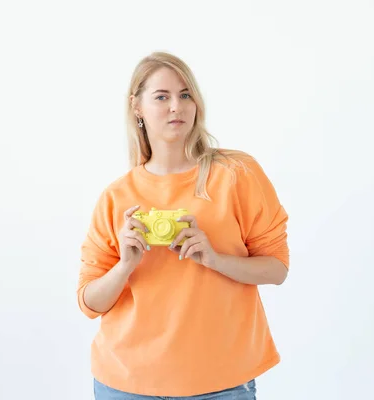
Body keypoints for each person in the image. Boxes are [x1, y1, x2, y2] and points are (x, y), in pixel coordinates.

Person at [77, 51, 289, 399]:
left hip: (221, 383)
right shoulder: (116, 196)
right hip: (125, 384)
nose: (177, 106)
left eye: (185, 94)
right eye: (162, 96)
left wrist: (215, 259)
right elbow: (89, 302)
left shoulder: (236, 174)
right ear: (137, 107)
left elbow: (277, 268)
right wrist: (125, 265)